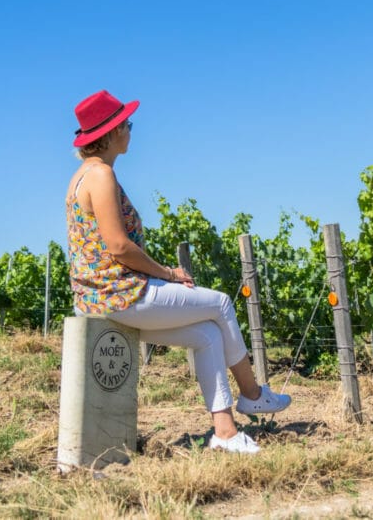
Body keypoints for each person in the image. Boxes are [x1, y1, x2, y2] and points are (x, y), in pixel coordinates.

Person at [65, 89, 290, 454]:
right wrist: (167, 274)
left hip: (98, 295)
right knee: (219, 304)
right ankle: (252, 395)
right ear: (110, 133)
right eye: (127, 124)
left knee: (206, 335)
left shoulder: (80, 177)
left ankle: (225, 432)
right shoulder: (101, 176)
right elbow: (120, 247)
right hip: (119, 293)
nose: (130, 130)